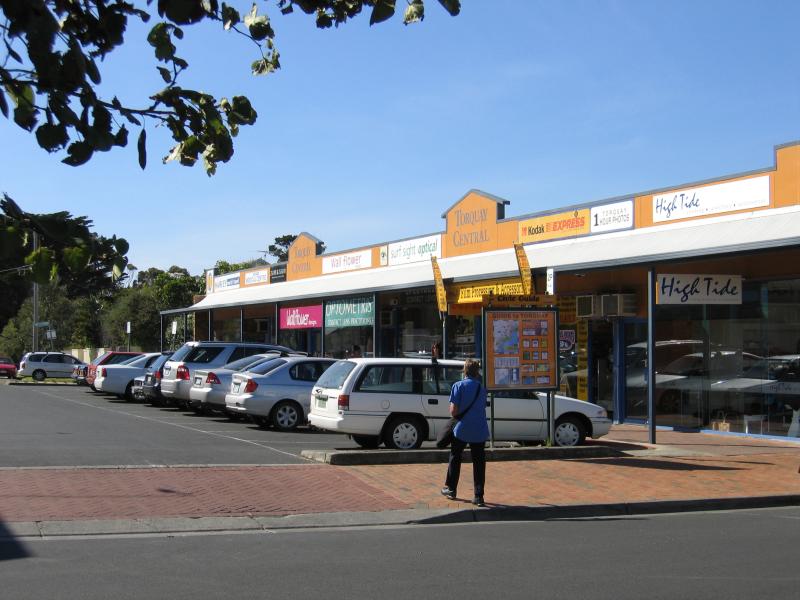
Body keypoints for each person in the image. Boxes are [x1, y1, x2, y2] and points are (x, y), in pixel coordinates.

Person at [440, 358, 489, 506]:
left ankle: (451, 489)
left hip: (462, 429)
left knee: (455, 457)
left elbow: (454, 411)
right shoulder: (482, 388)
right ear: (477, 372)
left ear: (465, 371)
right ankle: (479, 496)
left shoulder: (458, 385)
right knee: (479, 462)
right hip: (480, 429)